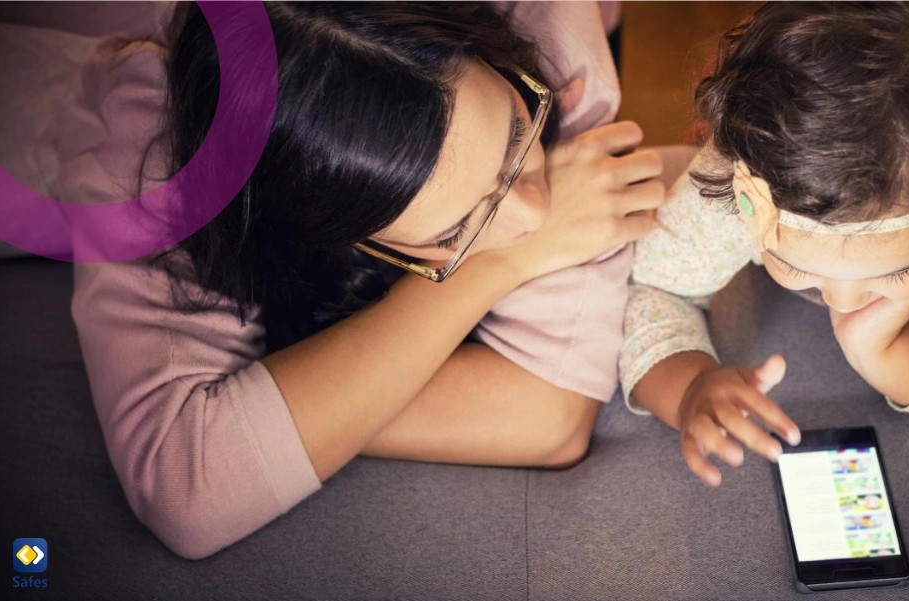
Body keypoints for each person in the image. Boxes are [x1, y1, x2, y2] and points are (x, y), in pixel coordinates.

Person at [71, 1, 664, 559]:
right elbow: (188, 486)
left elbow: (548, 416)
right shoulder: (158, 150)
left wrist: (291, 397)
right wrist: (497, 263)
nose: (536, 214)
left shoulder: (543, 39)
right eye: (457, 228)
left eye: (514, 134)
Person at [620, 2, 909, 487]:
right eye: (796, 264)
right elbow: (657, 286)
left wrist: (884, 353)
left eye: (899, 271)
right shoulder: (738, 172)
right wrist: (689, 385)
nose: (843, 302)